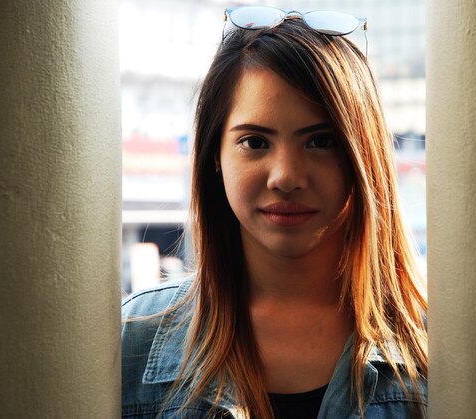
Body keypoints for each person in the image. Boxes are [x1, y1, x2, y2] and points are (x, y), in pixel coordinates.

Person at [122, 6, 427, 419]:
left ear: (363, 157)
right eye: (255, 142)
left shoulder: (440, 347)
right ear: (215, 155)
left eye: (320, 141)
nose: (285, 177)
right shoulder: (130, 338)